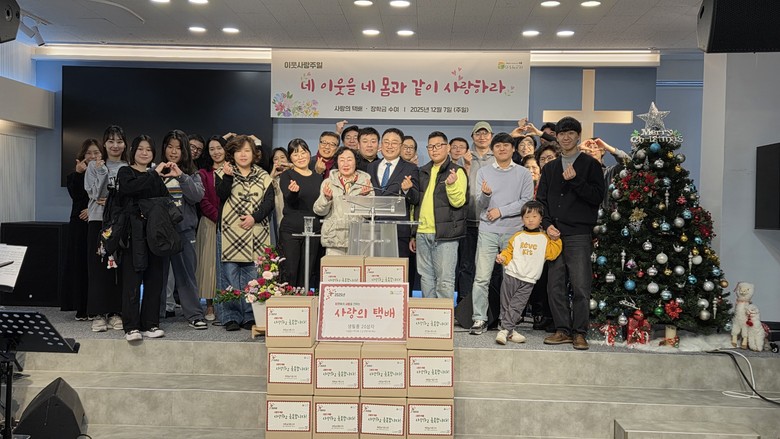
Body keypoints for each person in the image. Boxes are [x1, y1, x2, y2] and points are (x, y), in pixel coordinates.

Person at [536, 116, 605, 350]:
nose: (566, 137)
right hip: (554, 234)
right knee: (554, 285)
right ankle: (562, 330)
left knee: (580, 285)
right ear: (556, 137)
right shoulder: (550, 168)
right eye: (562, 133)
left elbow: (597, 197)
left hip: (578, 234)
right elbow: (541, 201)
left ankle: (580, 332)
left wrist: (576, 182)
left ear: (578, 136)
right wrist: (547, 224)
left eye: (570, 133)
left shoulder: (590, 165)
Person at [469, 133, 535, 335]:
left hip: (513, 233)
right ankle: (479, 318)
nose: (502, 149)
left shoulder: (524, 173)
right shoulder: (484, 172)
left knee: (511, 278)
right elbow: (480, 204)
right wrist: (486, 195)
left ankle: (507, 320)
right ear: (493, 149)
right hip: (488, 231)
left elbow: (526, 201)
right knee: (481, 277)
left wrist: (501, 211)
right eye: (498, 146)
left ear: (513, 149)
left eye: (506, 145)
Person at [217, 135, 275, 331]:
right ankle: (230, 316)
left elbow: (269, 203)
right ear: (232, 154)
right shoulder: (224, 172)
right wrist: (227, 177)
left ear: (254, 153)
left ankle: (251, 315)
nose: (243, 155)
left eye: (247, 150)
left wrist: (254, 217)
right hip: (230, 232)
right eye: (239, 151)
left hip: (256, 231)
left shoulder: (264, 176)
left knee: (253, 276)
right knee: (229, 276)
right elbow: (221, 195)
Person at [116, 135, 170, 341]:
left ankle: (151, 324)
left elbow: (164, 199)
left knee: (154, 279)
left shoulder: (155, 176)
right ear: (133, 151)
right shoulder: (125, 172)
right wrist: (154, 174)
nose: (144, 153)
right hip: (132, 233)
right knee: (132, 279)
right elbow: (130, 188)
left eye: (148, 149)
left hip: (154, 233)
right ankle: (131, 326)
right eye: (140, 149)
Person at [494, 200, 562, 345]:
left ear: (541, 218)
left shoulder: (544, 238)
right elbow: (509, 252)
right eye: (527, 217)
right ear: (522, 219)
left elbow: (552, 254)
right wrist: (503, 257)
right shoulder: (517, 236)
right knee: (506, 305)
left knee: (516, 306)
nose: (530, 220)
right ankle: (510, 331)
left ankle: (504, 331)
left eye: (534, 216)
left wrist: (556, 240)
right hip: (511, 275)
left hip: (528, 280)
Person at [160, 129, 208, 330]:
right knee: (158, 276)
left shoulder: (192, 174)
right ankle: (155, 314)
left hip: (184, 231)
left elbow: (197, 196)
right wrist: (156, 175)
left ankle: (194, 315)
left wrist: (181, 176)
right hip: (160, 233)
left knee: (187, 275)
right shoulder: (156, 170)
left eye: (178, 148)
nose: (173, 151)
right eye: (170, 147)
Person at [412, 131, 467, 299]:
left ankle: (443, 313)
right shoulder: (422, 171)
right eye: (430, 147)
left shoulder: (457, 171)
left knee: (445, 280)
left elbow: (458, 202)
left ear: (448, 147)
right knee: (425, 277)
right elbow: (416, 205)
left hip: (445, 234)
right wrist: (414, 232)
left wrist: (451, 185)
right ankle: (428, 311)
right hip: (422, 232)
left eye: (438, 146)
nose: (434, 150)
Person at [84, 125, 128, 332]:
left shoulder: (128, 167)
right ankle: (98, 314)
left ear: (125, 144)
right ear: (104, 144)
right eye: (111, 141)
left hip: (120, 223)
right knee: (98, 269)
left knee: (118, 269)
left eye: (119, 141)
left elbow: (126, 197)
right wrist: (102, 172)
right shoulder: (94, 167)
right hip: (98, 221)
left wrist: (111, 200)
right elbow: (95, 194)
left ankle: (116, 312)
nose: (115, 145)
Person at [368, 128, 420, 266]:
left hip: (398, 231)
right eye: (386, 142)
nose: (389, 146)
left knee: (397, 271)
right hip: (373, 229)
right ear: (381, 145)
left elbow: (416, 199)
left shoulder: (410, 168)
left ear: (401, 146)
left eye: (394, 143)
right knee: (374, 270)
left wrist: (407, 190)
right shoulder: (371, 167)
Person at [62, 138, 101, 320]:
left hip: (97, 222)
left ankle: (96, 306)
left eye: (96, 152)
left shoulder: (105, 173)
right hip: (79, 225)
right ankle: (81, 307)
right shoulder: (74, 176)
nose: (92, 156)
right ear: (82, 155)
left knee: (96, 266)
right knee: (79, 265)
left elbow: (107, 197)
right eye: (89, 153)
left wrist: (92, 209)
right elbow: (76, 196)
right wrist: (79, 174)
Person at [278, 139, 322, 289]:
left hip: (313, 231)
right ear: (290, 157)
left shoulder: (318, 177)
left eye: (303, 152)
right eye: (296, 154)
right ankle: (288, 300)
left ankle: (306, 300)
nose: (301, 157)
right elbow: (289, 199)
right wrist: (293, 192)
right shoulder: (287, 175)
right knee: (290, 272)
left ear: (309, 153)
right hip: (291, 231)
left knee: (308, 272)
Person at [313, 147, 373, 255]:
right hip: (334, 239)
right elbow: (319, 211)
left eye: (349, 159)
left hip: (358, 240)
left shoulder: (365, 182)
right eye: (341, 160)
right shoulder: (328, 182)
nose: (345, 164)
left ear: (356, 162)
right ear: (337, 162)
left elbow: (369, 214)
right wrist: (326, 199)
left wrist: (363, 198)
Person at [195, 135, 227, 322]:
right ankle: (209, 305)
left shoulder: (234, 170)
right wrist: (218, 217)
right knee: (208, 265)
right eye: (212, 149)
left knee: (227, 265)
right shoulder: (203, 173)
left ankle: (228, 303)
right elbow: (203, 200)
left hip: (231, 224)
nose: (216, 152)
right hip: (209, 222)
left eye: (219, 148)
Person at [270, 147, 292, 233]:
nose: (280, 161)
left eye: (282, 157)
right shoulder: (274, 179)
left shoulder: (294, 175)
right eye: (276, 159)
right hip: (279, 220)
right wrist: (272, 176)